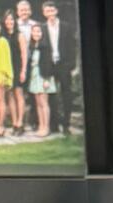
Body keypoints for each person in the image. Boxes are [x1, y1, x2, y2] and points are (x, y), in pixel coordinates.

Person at [40, 1, 74, 134]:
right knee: (51, 96)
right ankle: (54, 125)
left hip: (64, 65)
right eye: (47, 11)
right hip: (49, 66)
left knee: (67, 95)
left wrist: (71, 64)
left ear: (56, 11)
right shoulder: (42, 28)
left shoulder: (66, 27)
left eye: (52, 10)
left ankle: (66, 124)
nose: (50, 13)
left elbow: (72, 46)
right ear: (44, 13)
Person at [25, 22, 51, 137]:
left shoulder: (45, 46)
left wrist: (47, 79)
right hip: (34, 76)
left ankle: (46, 127)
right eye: (34, 31)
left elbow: (48, 64)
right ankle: (41, 126)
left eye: (38, 31)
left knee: (44, 102)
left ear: (42, 33)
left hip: (43, 76)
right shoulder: (32, 46)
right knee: (38, 103)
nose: (36, 33)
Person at [14, 1, 36, 129]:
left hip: (34, 62)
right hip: (19, 64)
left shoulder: (35, 24)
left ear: (30, 11)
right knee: (19, 92)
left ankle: (34, 121)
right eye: (22, 10)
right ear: (17, 12)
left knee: (34, 92)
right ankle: (18, 121)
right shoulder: (13, 25)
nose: (24, 12)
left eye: (26, 9)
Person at [2, 10, 23, 134]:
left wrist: (23, 70)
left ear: (14, 21)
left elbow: (24, 54)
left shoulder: (19, 35)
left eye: (11, 19)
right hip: (7, 69)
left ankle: (20, 123)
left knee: (18, 95)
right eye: (7, 19)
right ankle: (14, 123)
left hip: (18, 67)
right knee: (10, 97)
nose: (9, 21)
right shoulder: (3, 36)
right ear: (4, 22)